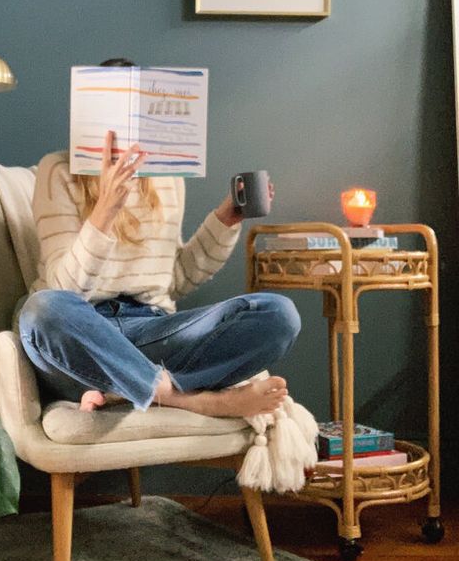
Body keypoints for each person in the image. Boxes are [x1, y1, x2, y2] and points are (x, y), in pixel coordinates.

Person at [18, 64, 301, 422]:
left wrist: (227, 219)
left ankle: (126, 386)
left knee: (277, 314)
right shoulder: (57, 171)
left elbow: (177, 279)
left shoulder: (166, 178)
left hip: (152, 329)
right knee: (41, 310)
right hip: (83, 332)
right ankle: (186, 398)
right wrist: (104, 211)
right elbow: (65, 289)